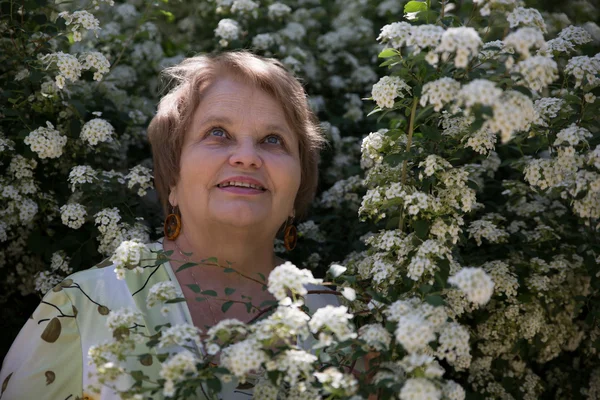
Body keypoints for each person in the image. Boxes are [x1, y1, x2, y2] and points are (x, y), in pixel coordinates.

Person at [0, 51, 339, 399]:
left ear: (299, 183)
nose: (247, 157)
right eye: (218, 133)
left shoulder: (338, 321)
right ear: (172, 177)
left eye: (273, 140)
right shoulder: (83, 306)